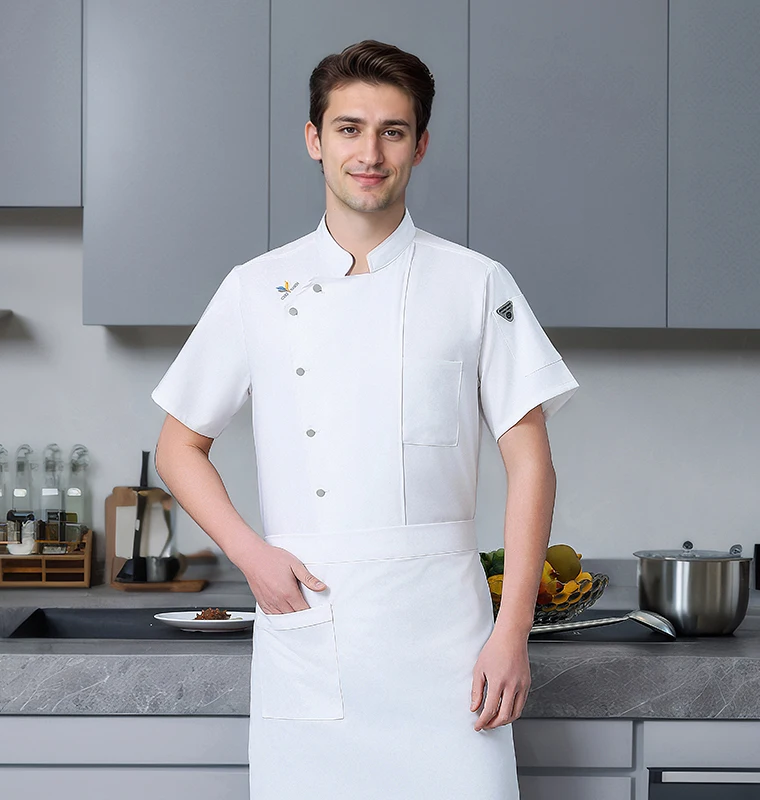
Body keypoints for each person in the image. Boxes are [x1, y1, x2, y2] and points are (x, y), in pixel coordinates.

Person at [151, 39, 578, 799]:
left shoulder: (477, 283)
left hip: (448, 641)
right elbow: (179, 445)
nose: (369, 152)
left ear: (420, 144)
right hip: (313, 622)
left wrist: (510, 631)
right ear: (315, 141)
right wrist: (252, 554)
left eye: (392, 130)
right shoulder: (255, 289)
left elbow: (531, 463)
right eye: (349, 129)